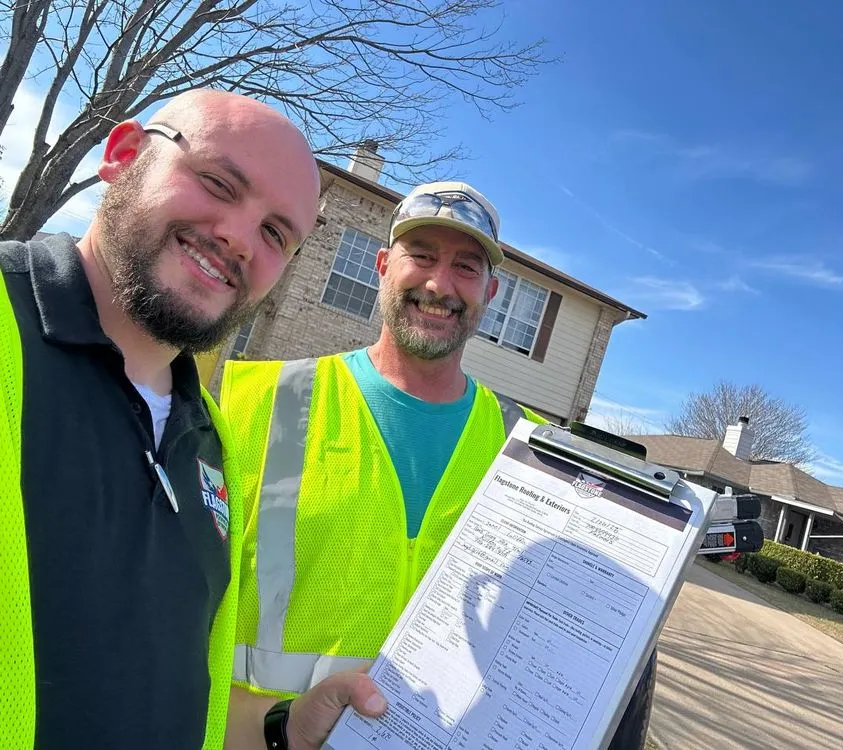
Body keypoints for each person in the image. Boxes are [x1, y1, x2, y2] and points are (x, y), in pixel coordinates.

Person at [0, 89, 384, 750]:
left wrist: (286, 728)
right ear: (121, 157)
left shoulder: (209, 439)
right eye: (216, 182)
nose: (238, 238)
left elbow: (168, 693)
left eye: (274, 233)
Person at [222, 181, 657, 748]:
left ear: (491, 292)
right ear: (382, 265)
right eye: (421, 255)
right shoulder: (248, 400)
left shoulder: (529, 451)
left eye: (466, 268)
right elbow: (157, 633)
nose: (438, 284)